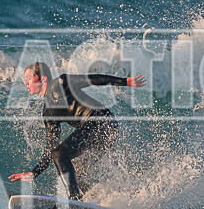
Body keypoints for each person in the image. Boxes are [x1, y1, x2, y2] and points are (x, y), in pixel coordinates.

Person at [8, 62, 146, 200]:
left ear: (43, 78)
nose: (25, 83)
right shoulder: (48, 113)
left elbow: (91, 79)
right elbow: (51, 147)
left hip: (103, 122)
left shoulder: (59, 83)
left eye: (29, 78)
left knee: (60, 154)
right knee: (74, 172)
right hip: (99, 132)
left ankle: (73, 198)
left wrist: (124, 81)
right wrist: (34, 173)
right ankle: (90, 201)